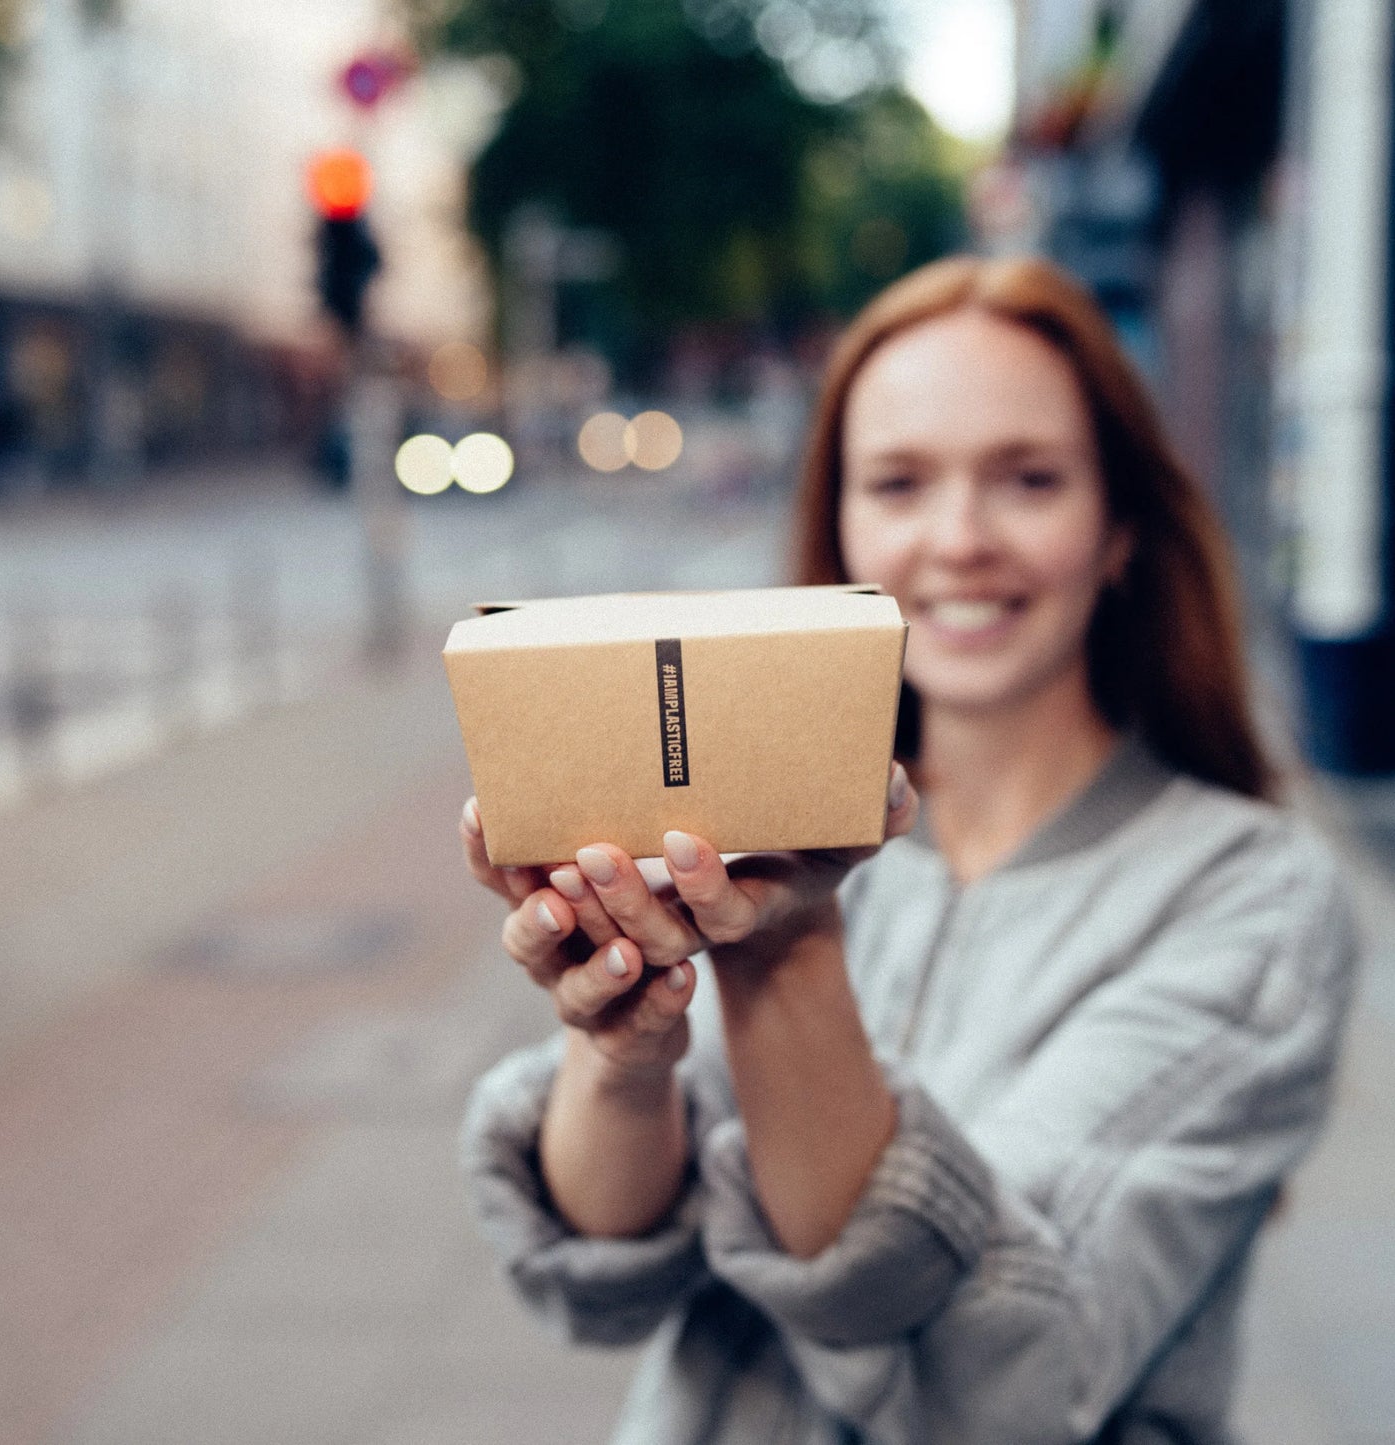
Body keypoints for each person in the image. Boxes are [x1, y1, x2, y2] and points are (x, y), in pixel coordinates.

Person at [457, 255, 1356, 1443]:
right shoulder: (741, 825)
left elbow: (1012, 1383)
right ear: (838, 524)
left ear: (1119, 525)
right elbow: (606, 1269)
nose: (957, 539)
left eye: (1028, 479)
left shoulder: (1249, 898)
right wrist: (620, 1047)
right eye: (896, 482)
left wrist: (787, 953)